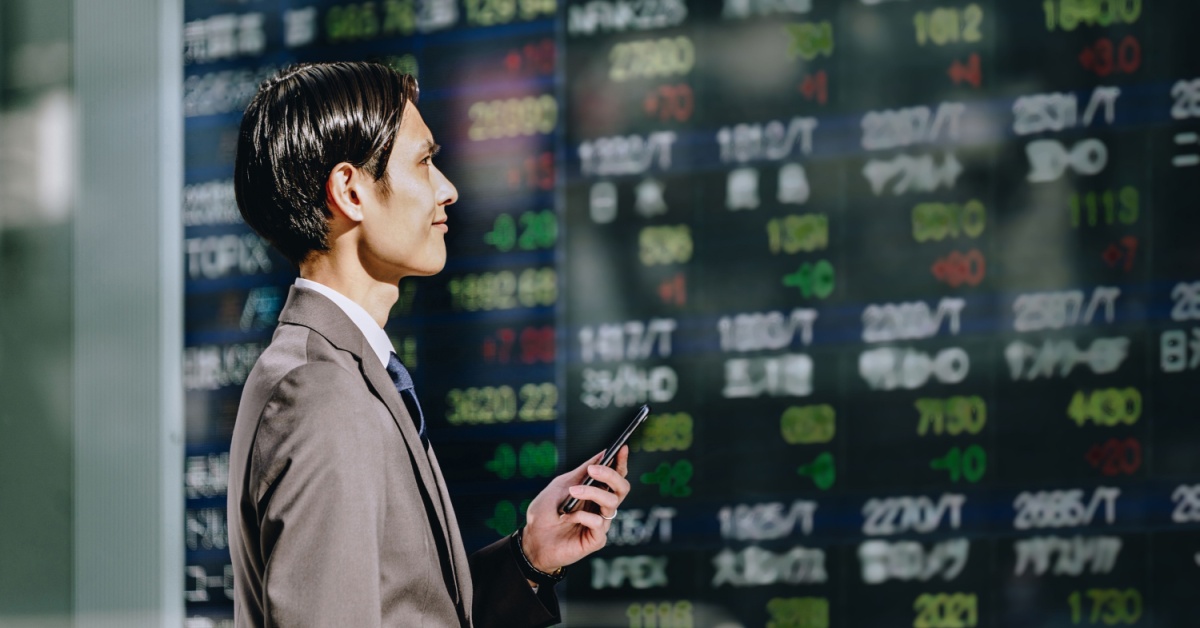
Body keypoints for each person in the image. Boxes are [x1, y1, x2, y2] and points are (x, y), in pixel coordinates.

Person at [226, 61, 630, 627]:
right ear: (350, 191)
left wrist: (528, 558)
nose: (447, 189)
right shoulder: (322, 394)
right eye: (424, 162)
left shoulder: (336, 372)